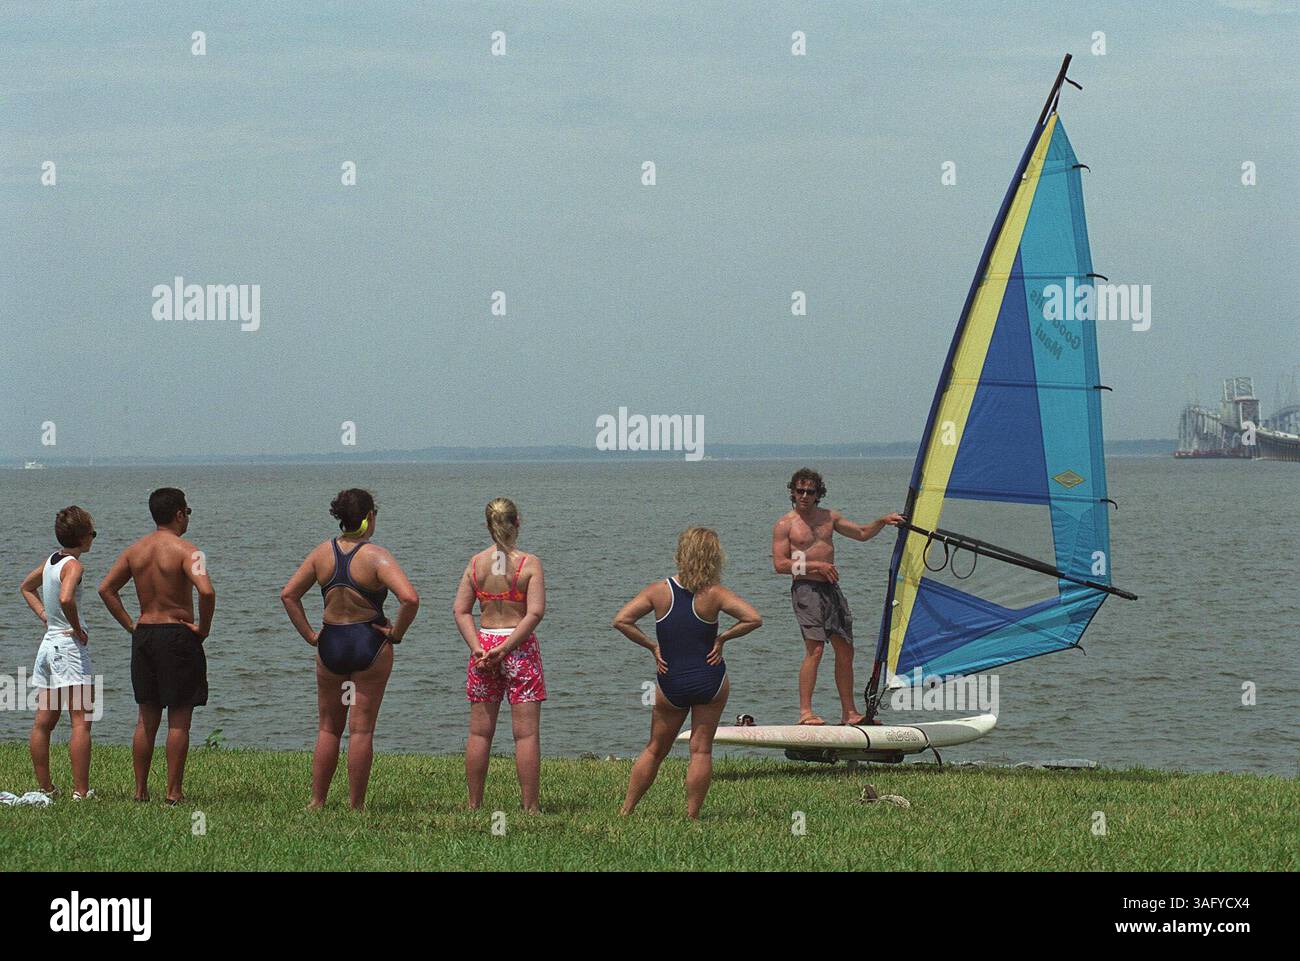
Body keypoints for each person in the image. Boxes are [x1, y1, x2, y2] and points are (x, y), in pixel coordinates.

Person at [280, 489, 419, 810]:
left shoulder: (321, 554)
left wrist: (311, 636)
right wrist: (396, 633)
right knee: (361, 729)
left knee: (328, 727)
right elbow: (410, 599)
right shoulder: (376, 557)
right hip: (368, 643)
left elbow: (289, 595)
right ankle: (356, 805)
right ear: (369, 517)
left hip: (331, 644)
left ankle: (317, 801)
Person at [613, 527, 762, 819]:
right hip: (710, 679)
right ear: (714, 558)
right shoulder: (716, 593)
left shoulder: (659, 591)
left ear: (681, 554)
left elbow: (622, 620)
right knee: (701, 750)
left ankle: (626, 810)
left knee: (655, 749)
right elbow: (753, 618)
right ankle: (692, 816)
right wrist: (723, 639)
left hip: (671, 682)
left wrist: (652, 647)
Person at [98, 487, 215, 804]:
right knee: (179, 718)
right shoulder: (190, 552)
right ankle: (174, 792)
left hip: (145, 634)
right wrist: (202, 629)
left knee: (146, 718)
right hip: (176, 635)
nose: (187, 517)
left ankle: (140, 791)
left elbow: (106, 589)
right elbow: (206, 591)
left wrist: (130, 624)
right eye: (187, 512)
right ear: (179, 514)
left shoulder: (134, 551)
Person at [771, 468, 904, 725]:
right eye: (800, 491)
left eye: (810, 492)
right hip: (806, 590)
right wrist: (816, 566)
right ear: (792, 492)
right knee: (816, 649)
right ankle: (805, 713)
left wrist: (883, 521)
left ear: (818, 493)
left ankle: (850, 713)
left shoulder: (829, 517)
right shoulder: (785, 525)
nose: (805, 496)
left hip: (831, 589)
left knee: (846, 649)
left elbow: (862, 533)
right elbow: (780, 565)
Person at [452, 497, 546, 814]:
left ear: (487, 526)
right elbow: (534, 613)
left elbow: (460, 610)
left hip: (484, 646)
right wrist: (507, 648)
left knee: (479, 732)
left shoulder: (476, 563)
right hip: (518, 647)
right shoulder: (528, 564)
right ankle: (530, 806)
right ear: (518, 522)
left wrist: (477, 646)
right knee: (526, 734)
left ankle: (474, 803)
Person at [21, 506, 97, 800]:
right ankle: (81, 791)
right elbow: (66, 597)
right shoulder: (74, 566)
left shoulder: (52, 561)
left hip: (48, 647)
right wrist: (77, 628)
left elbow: (27, 587)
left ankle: (47, 788)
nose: (93, 537)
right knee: (81, 720)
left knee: (44, 721)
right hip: (67, 648)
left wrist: (44, 615)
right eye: (92, 532)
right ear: (83, 537)